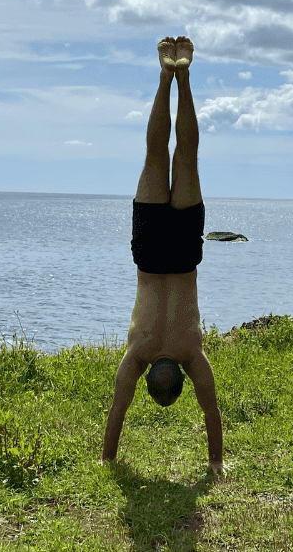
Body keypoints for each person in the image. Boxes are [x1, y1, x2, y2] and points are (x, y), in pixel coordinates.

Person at [102, 36, 224, 475]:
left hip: (185, 256)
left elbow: (212, 413)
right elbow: (117, 411)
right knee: (157, 156)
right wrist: (108, 460)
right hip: (151, 255)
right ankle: (165, 73)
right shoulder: (138, 352)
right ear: (150, 378)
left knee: (186, 159)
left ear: (181, 381)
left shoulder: (192, 352)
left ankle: (183, 75)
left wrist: (216, 464)